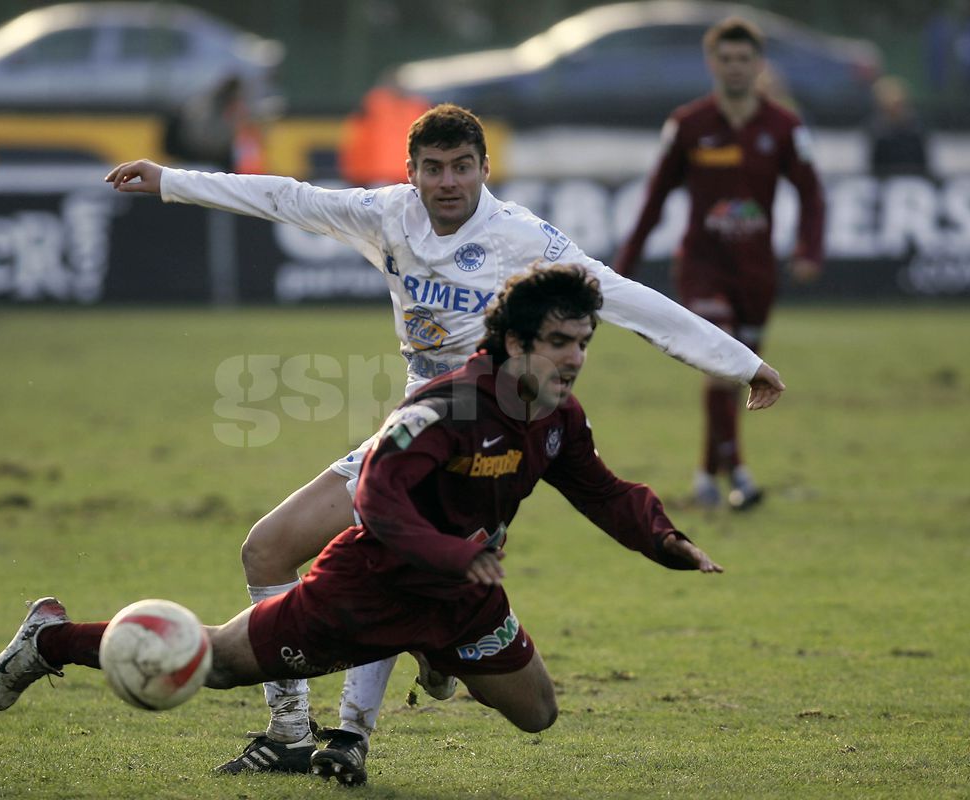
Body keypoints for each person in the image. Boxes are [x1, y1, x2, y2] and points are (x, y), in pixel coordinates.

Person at [97, 103, 784, 779]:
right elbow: (287, 197)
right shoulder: (387, 215)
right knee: (268, 548)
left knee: (386, 565)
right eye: (434, 168)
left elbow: (623, 295)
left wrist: (739, 362)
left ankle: (349, 733)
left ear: (486, 168)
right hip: (415, 425)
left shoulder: (524, 240)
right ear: (411, 172)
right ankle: (296, 727)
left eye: (462, 167)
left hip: (482, 441)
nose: (448, 181)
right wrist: (170, 181)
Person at [0, 263, 726, 787]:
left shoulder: (558, 418)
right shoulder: (447, 406)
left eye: (584, 343)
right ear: (515, 343)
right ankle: (49, 637)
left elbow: (601, 491)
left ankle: (438, 656)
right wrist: (447, 551)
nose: (576, 358)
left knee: (539, 714)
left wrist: (663, 540)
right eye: (561, 342)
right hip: (365, 589)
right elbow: (375, 497)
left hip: (461, 599)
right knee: (206, 664)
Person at [613, 17, 823, 511]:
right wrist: (624, 264)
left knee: (745, 375)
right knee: (721, 368)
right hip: (702, 267)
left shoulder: (785, 128)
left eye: (743, 59)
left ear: (758, 64)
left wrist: (810, 249)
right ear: (712, 63)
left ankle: (707, 474)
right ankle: (741, 477)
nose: (734, 67)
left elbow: (813, 195)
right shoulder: (688, 125)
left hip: (755, 271)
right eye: (725, 59)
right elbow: (654, 198)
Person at [868, 75, 930, 176]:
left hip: (914, 177)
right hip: (884, 179)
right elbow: (874, 163)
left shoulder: (916, 126)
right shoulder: (876, 128)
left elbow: (923, 160)